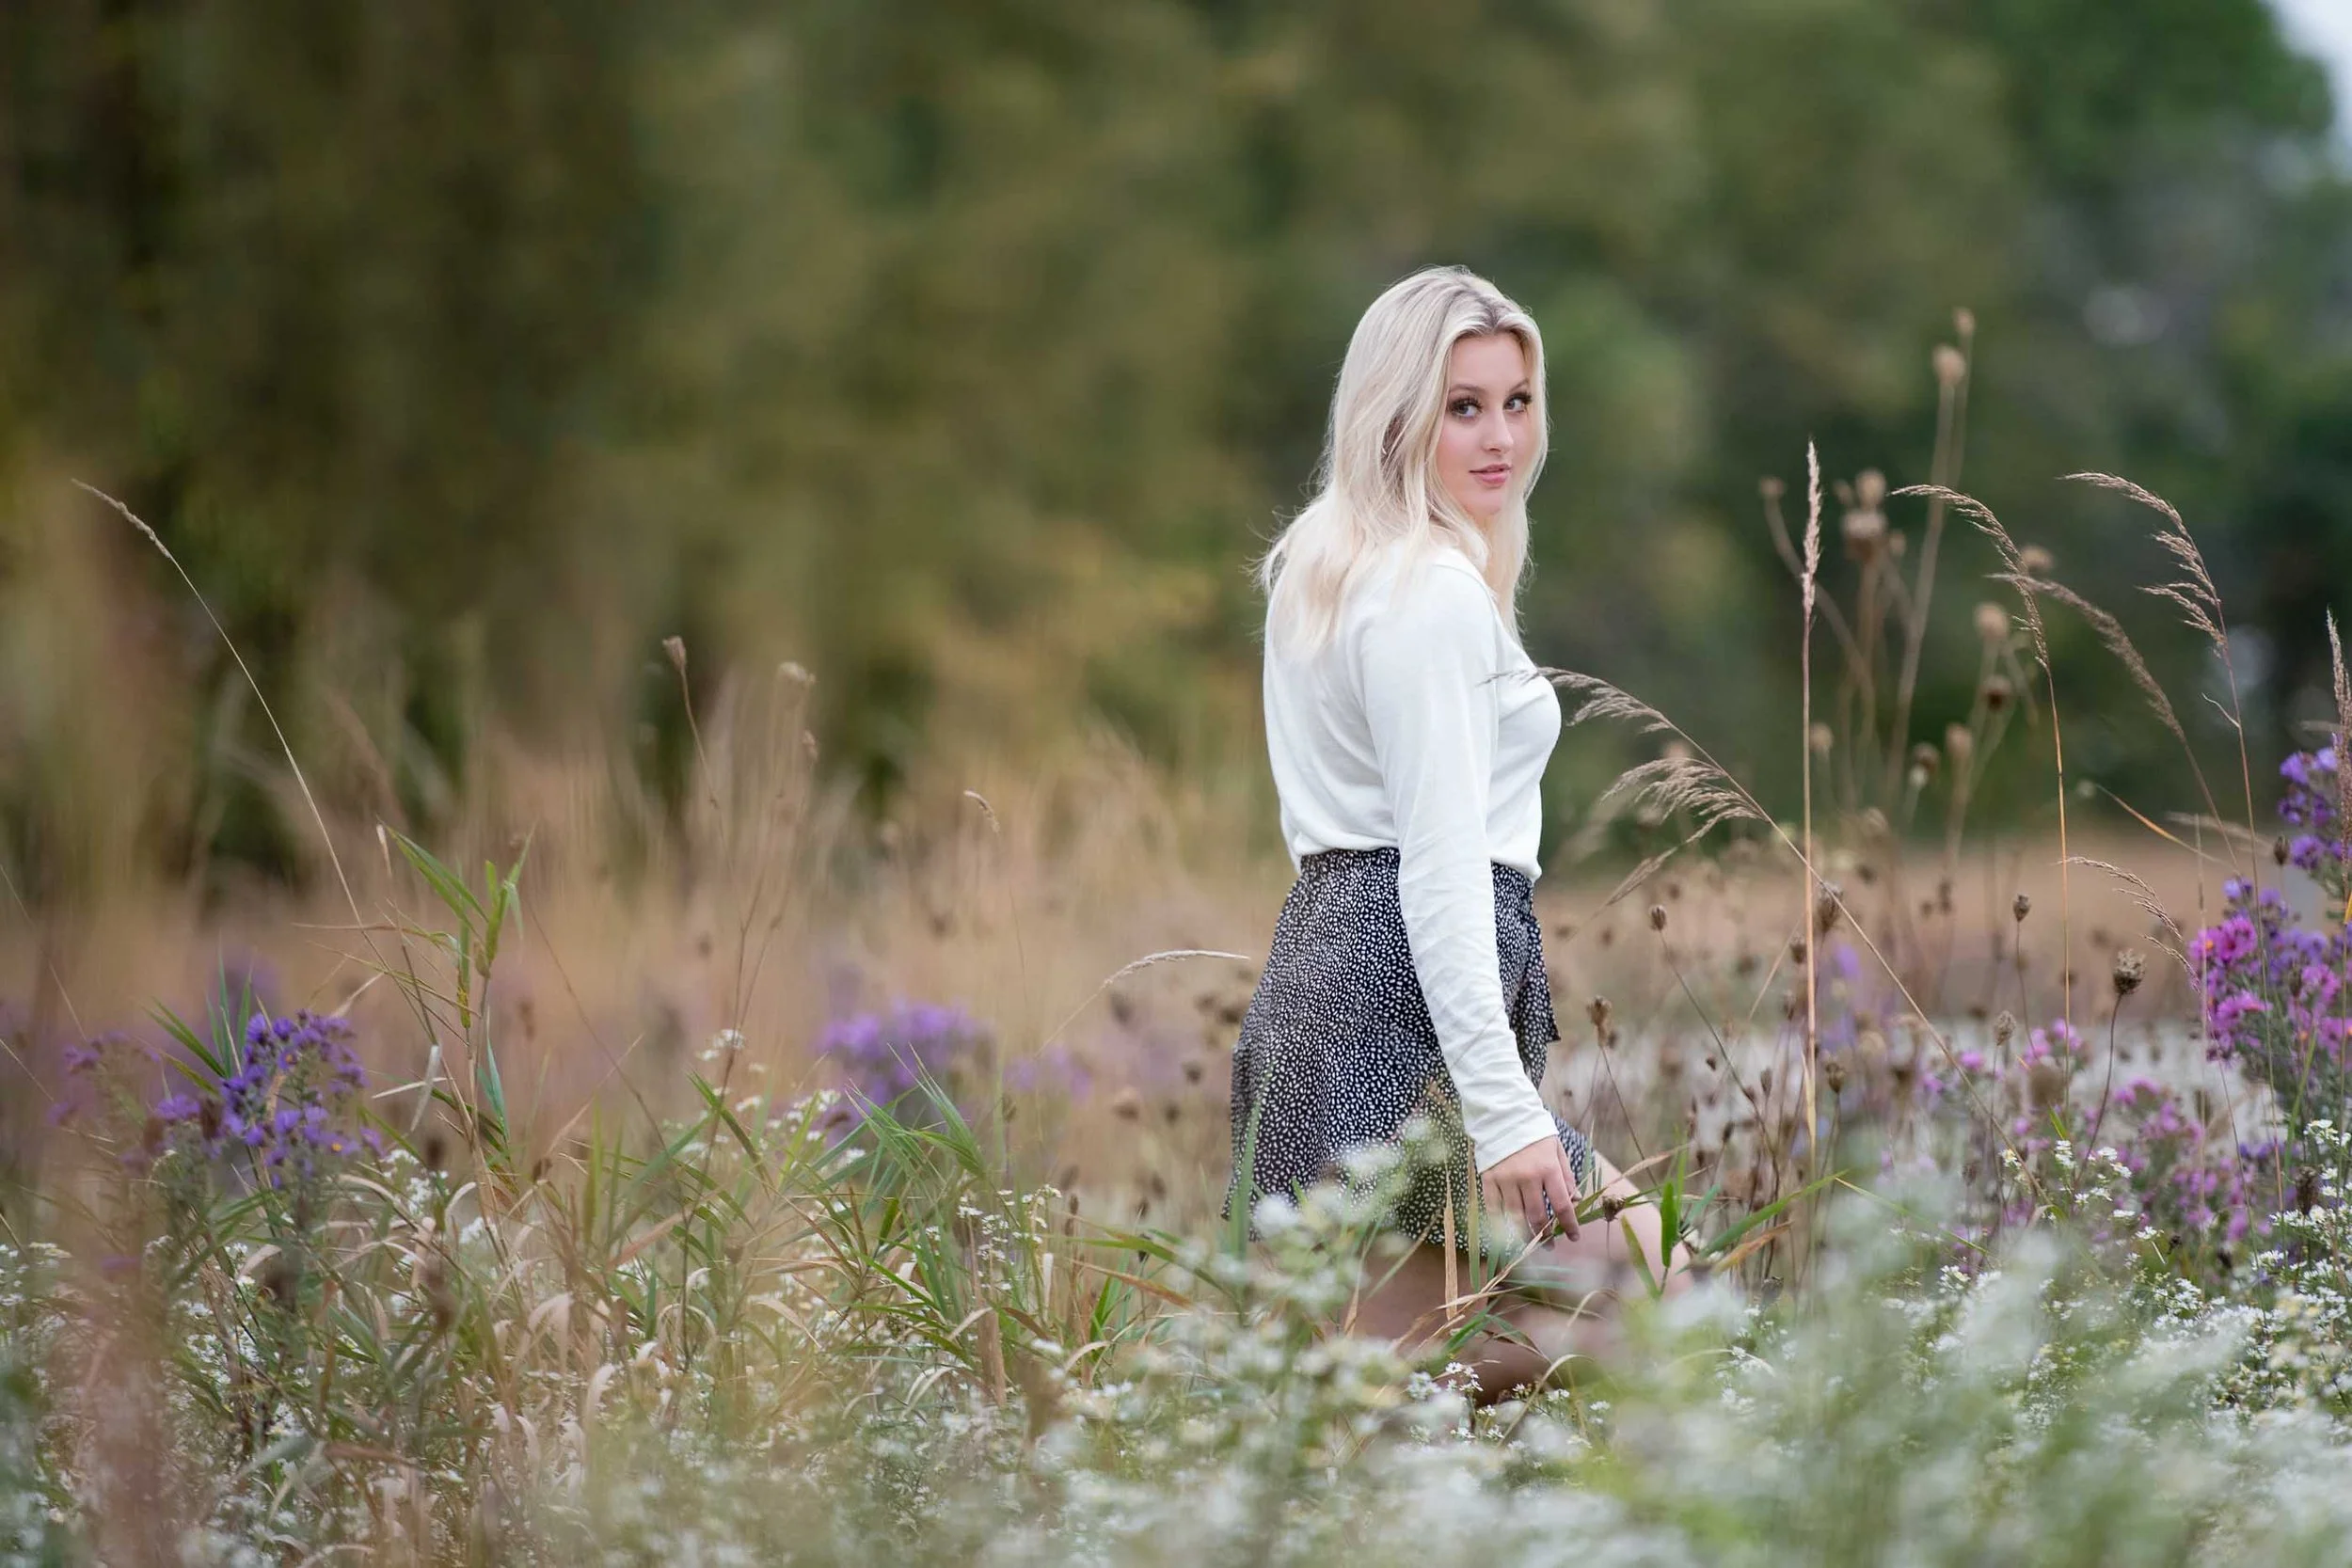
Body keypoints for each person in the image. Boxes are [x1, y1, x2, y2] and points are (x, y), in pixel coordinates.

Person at [1223, 263, 1692, 1402]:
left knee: (1368, 1375)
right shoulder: (1426, 588)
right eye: (1462, 406)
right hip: (1393, 988)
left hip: (1326, 969)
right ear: (1396, 413)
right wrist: (1505, 1111)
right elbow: (1433, 868)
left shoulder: (1329, 565)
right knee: (1657, 1298)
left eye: (1516, 401)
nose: (1499, 437)